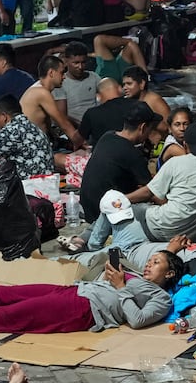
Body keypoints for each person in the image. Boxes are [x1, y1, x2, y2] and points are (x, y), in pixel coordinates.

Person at [0, 251, 182, 338]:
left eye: (156, 263)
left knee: (9, 316)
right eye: (150, 259)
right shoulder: (133, 274)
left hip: (84, 307)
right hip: (75, 290)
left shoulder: (162, 298)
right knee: (0, 294)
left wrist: (120, 288)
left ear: (169, 275)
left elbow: (138, 319)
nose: (148, 264)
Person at [75, 103, 158, 249]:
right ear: (143, 127)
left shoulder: (107, 136)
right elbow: (151, 191)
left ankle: (82, 239)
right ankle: (91, 239)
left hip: (87, 203)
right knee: (145, 208)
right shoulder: (131, 153)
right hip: (102, 209)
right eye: (150, 130)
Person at [0, 93, 55, 177]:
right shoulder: (31, 125)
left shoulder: (12, 130)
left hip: (30, 182)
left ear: (4, 116)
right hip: (47, 177)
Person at [21, 55, 80, 145]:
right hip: (33, 147)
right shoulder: (41, 92)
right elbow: (63, 124)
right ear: (51, 73)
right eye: (61, 73)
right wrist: (81, 143)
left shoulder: (39, 89)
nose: (64, 77)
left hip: (41, 142)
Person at [55, 41, 102, 122]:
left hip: (97, 122)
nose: (80, 67)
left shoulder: (93, 77)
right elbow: (62, 116)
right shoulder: (60, 83)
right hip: (75, 127)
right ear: (66, 62)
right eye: (76, 63)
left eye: (83, 62)